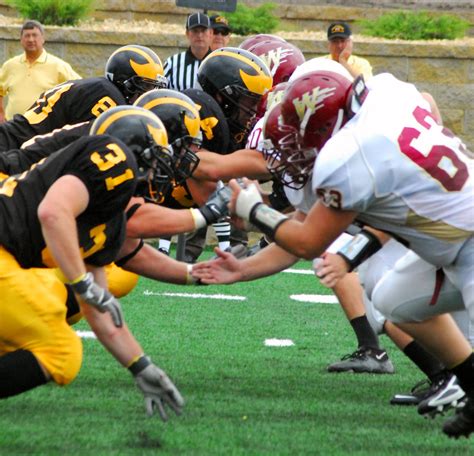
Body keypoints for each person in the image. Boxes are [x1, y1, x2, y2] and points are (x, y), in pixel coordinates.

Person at [194, 68, 474, 438]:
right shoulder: (383, 93)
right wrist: (242, 270)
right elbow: (425, 106)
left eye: (297, 140)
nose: (291, 152)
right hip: (448, 241)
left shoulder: (348, 153)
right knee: (394, 298)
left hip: (466, 242)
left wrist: (252, 209)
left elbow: (308, 241)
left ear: (324, 128)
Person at [0, 105, 184, 419]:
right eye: (155, 161)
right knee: (60, 352)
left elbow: (99, 310)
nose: (158, 173)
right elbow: (52, 212)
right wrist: (81, 284)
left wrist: (141, 365)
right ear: (137, 149)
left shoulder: (110, 222)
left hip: (8, 256)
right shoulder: (114, 155)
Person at [182, 46, 273, 263]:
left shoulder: (234, 130)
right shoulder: (198, 114)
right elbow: (208, 172)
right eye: (250, 101)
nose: (255, 110)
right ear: (221, 96)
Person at [0, 44, 166, 152]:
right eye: (146, 86)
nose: (149, 93)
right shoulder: (108, 97)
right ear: (125, 81)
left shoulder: (98, 87)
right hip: (15, 146)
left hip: (16, 138)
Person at [0, 20, 81, 122]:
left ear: (43, 39)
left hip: (44, 129)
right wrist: (1, 113)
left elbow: (79, 88)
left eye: (35, 35)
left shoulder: (58, 66)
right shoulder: (10, 65)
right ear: (21, 40)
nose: (31, 39)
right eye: (27, 36)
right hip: (13, 128)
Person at [164, 12, 212, 92]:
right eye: (195, 31)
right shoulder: (172, 64)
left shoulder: (218, 63)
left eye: (203, 31)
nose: (199, 35)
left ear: (210, 33)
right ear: (187, 33)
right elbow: (159, 92)